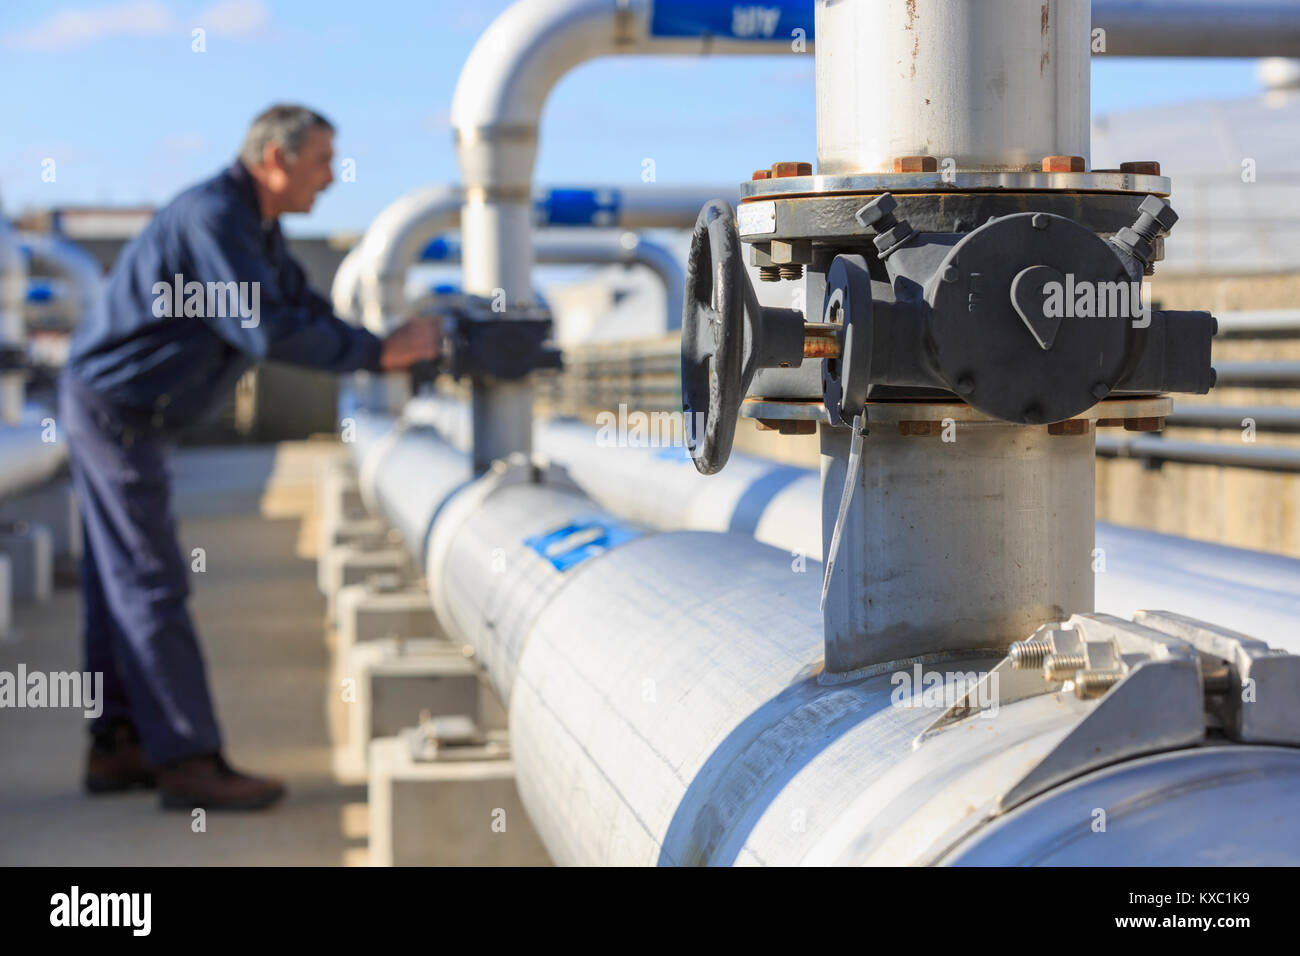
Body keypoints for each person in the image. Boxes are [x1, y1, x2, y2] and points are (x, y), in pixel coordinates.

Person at [61, 104, 438, 811]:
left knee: (117, 579)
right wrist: (377, 353)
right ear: (275, 159)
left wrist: (374, 344)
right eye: (322, 162)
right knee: (149, 577)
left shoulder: (253, 226)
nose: (330, 179)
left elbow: (301, 307)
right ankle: (187, 759)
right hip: (116, 409)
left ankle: (117, 746)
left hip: (122, 407)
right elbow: (261, 327)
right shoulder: (214, 219)